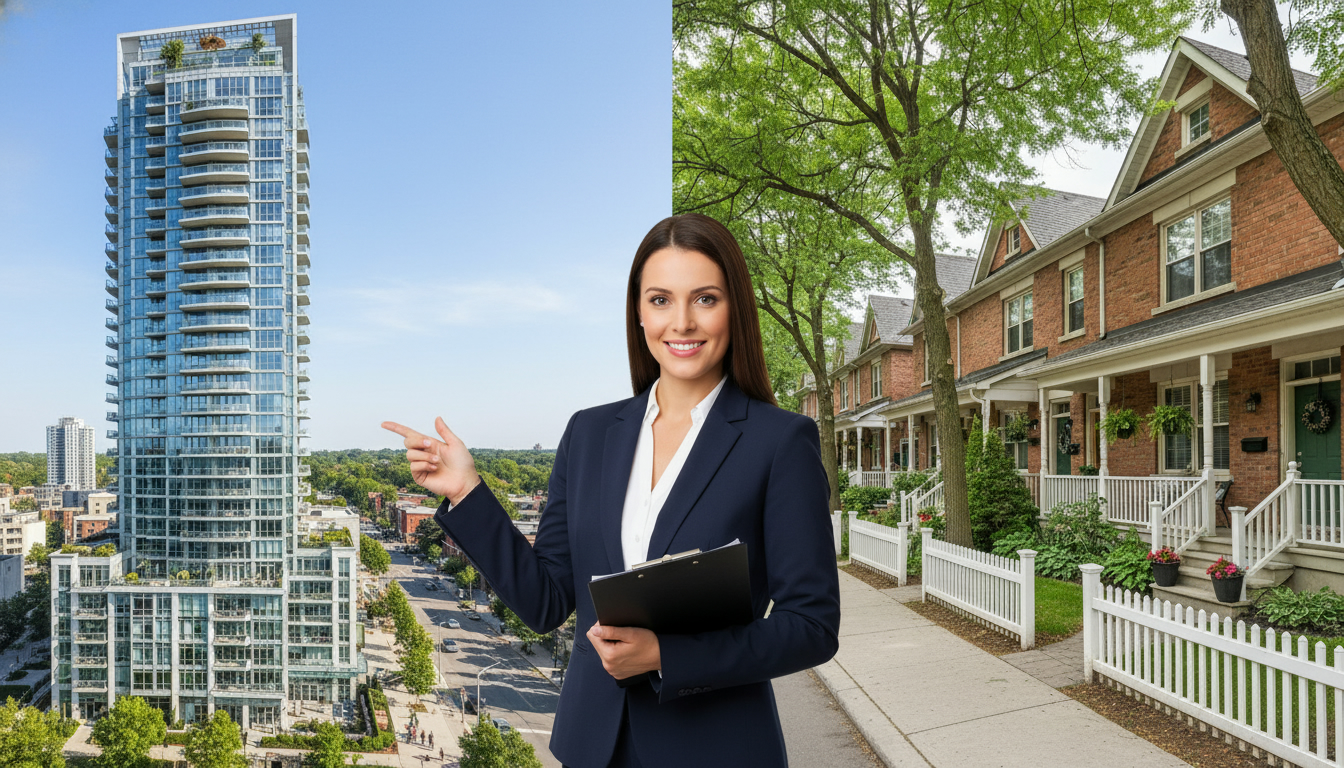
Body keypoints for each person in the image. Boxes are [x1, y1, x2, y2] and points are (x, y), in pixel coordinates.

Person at [383, 214, 840, 768]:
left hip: (716, 746)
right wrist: (467, 490)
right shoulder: (589, 433)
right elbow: (547, 601)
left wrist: (667, 656)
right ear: (639, 313)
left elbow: (810, 627)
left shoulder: (780, 440)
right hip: (593, 745)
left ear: (733, 308)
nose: (682, 323)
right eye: (660, 300)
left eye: (705, 298)